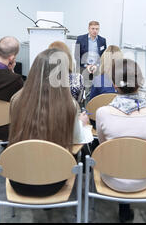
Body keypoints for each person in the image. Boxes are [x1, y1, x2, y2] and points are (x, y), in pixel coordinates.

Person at [8, 48, 93, 197]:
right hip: (54, 181)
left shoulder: (16, 100)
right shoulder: (69, 105)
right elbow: (77, 140)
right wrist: (80, 122)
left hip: (18, 178)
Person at [96, 58, 146, 222]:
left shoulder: (102, 113)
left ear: (115, 84)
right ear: (140, 82)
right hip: (144, 178)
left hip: (112, 177)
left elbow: (103, 147)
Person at [74, 21, 107, 92]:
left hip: (97, 69)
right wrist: (86, 66)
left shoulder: (102, 40)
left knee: (96, 89)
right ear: (89, 29)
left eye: (97, 29)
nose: (95, 31)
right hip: (84, 68)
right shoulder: (80, 39)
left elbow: (104, 56)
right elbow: (76, 55)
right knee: (84, 90)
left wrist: (97, 66)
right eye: (93, 28)